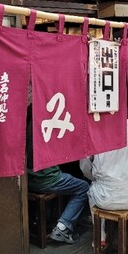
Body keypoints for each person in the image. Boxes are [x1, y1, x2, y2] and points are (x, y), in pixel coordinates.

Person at [80, 120, 128, 254]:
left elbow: (85, 168)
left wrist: (98, 177)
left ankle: (100, 237)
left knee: (92, 190)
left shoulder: (93, 129)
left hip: (104, 199)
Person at [26, 104, 89, 244]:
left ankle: (56, 219)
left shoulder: (30, 120)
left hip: (28, 179)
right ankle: (63, 227)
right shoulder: (52, 123)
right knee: (84, 187)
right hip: (46, 179)